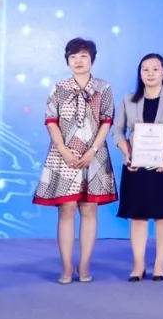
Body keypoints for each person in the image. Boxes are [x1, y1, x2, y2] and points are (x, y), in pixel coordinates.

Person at [33, 37, 117, 284]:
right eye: (73, 57)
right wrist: (63, 150)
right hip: (63, 156)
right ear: (67, 60)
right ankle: (67, 268)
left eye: (83, 56)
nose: (78, 61)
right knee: (67, 209)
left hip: (94, 155)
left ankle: (85, 265)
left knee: (89, 209)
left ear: (92, 59)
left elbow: (107, 121)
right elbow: (51, 121)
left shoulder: (103, 88)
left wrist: (92, 150)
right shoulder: (59, 88)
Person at [113, 53, 163, 281]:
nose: (150, 73)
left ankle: (159, 263)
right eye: (145, 69)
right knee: (138, 216)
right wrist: (126, 152)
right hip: (135, 166)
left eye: (156, 69)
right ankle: (138, 264)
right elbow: (118, 130)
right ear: (140, 74)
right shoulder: (128, 100)